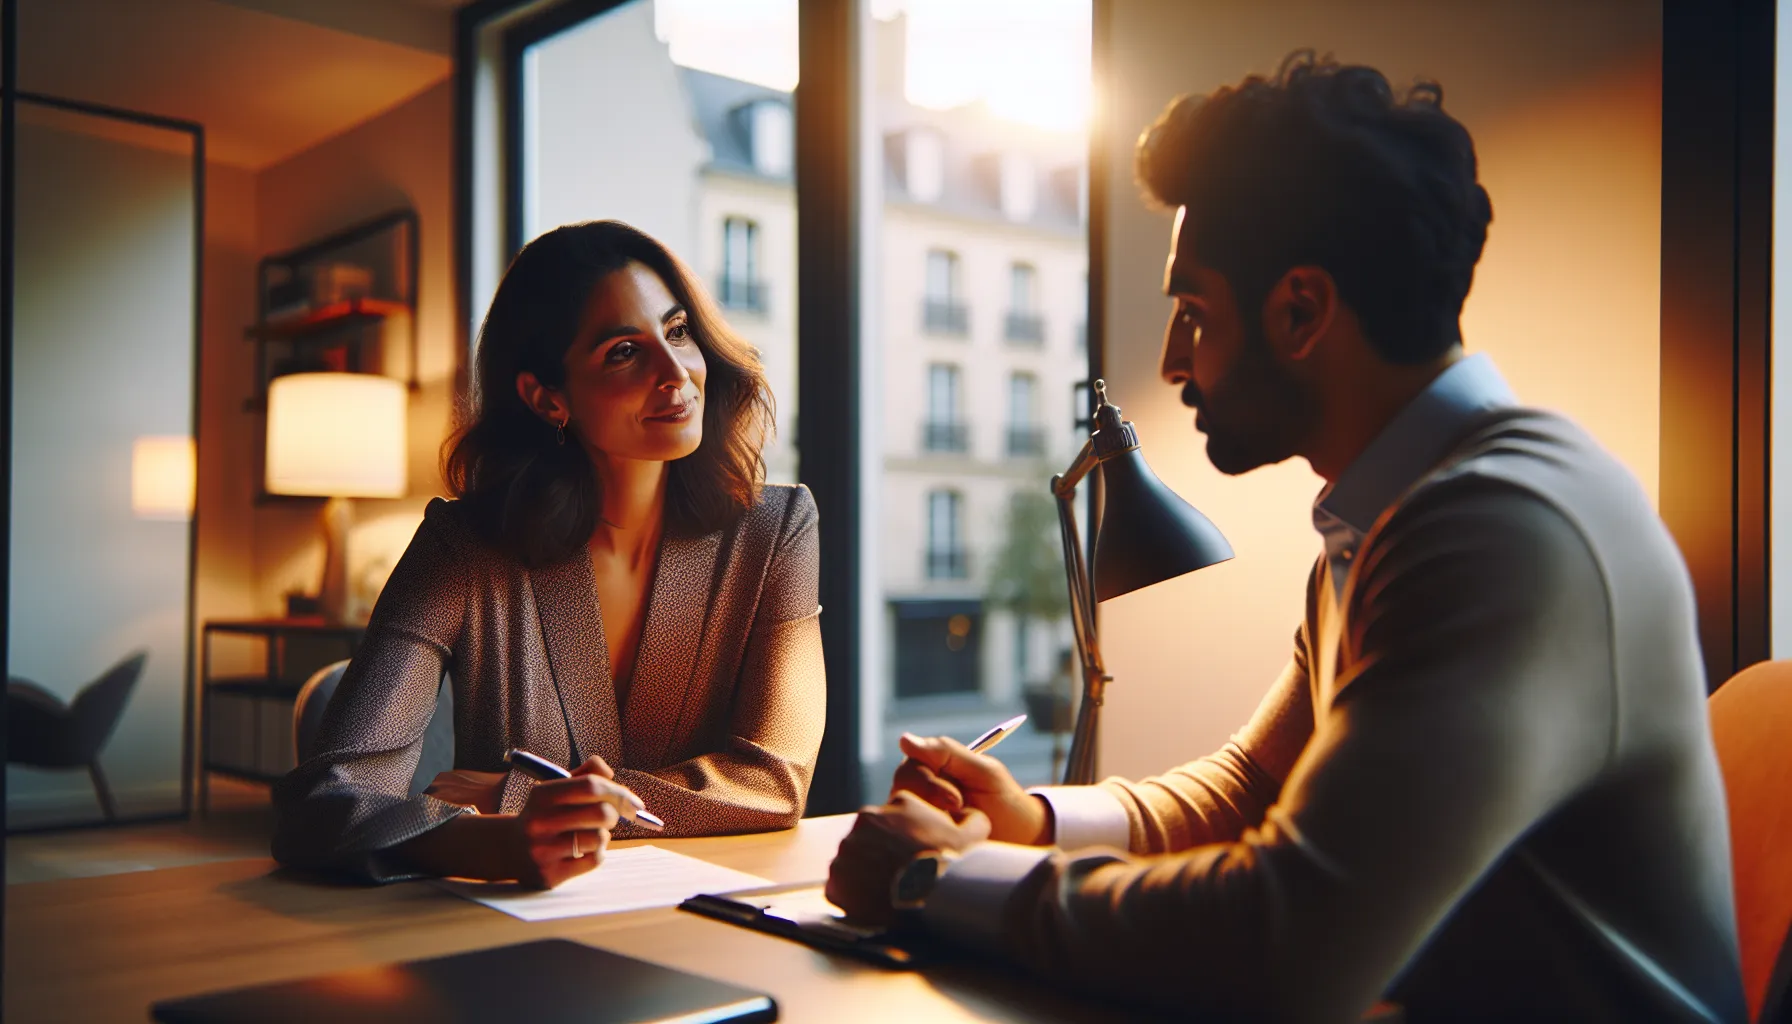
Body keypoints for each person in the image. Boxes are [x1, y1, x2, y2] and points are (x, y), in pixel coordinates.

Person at [824, 53, 1746, 1022]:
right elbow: (1248, 789)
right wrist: (1035, 819)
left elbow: (1286, 943)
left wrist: (941, 879)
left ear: (1300, 311)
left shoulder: (1503, 534)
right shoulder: (1391, 519)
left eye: (1193, 313)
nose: (1172, 362)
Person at [273, 221, 824, 889]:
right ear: (547, 398)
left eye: (678, 332)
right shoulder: (464, 547)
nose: (676, 372)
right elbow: (320, 806)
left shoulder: (775, 530)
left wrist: (516, 796)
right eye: (625, 352)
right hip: (515, 924)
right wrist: (486, 846)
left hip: (710, 907)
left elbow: (773, 781)